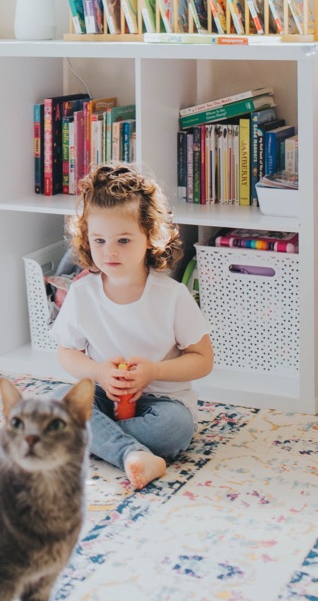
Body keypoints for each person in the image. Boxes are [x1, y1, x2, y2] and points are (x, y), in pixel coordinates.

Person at [53, 164, 213, 490]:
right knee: (57, 402)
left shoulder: (172, 296)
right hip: (102, 394)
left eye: (124, 240)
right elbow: (67, 351)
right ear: (87, 239)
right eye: (99, 240)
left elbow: (202, 359)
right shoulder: (82, 293)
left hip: (160, 403)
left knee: (174, 430)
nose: (110, 251)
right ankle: (130, 453)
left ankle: (98, 439)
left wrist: (153, 371)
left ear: (150, 236)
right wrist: (98, 373)